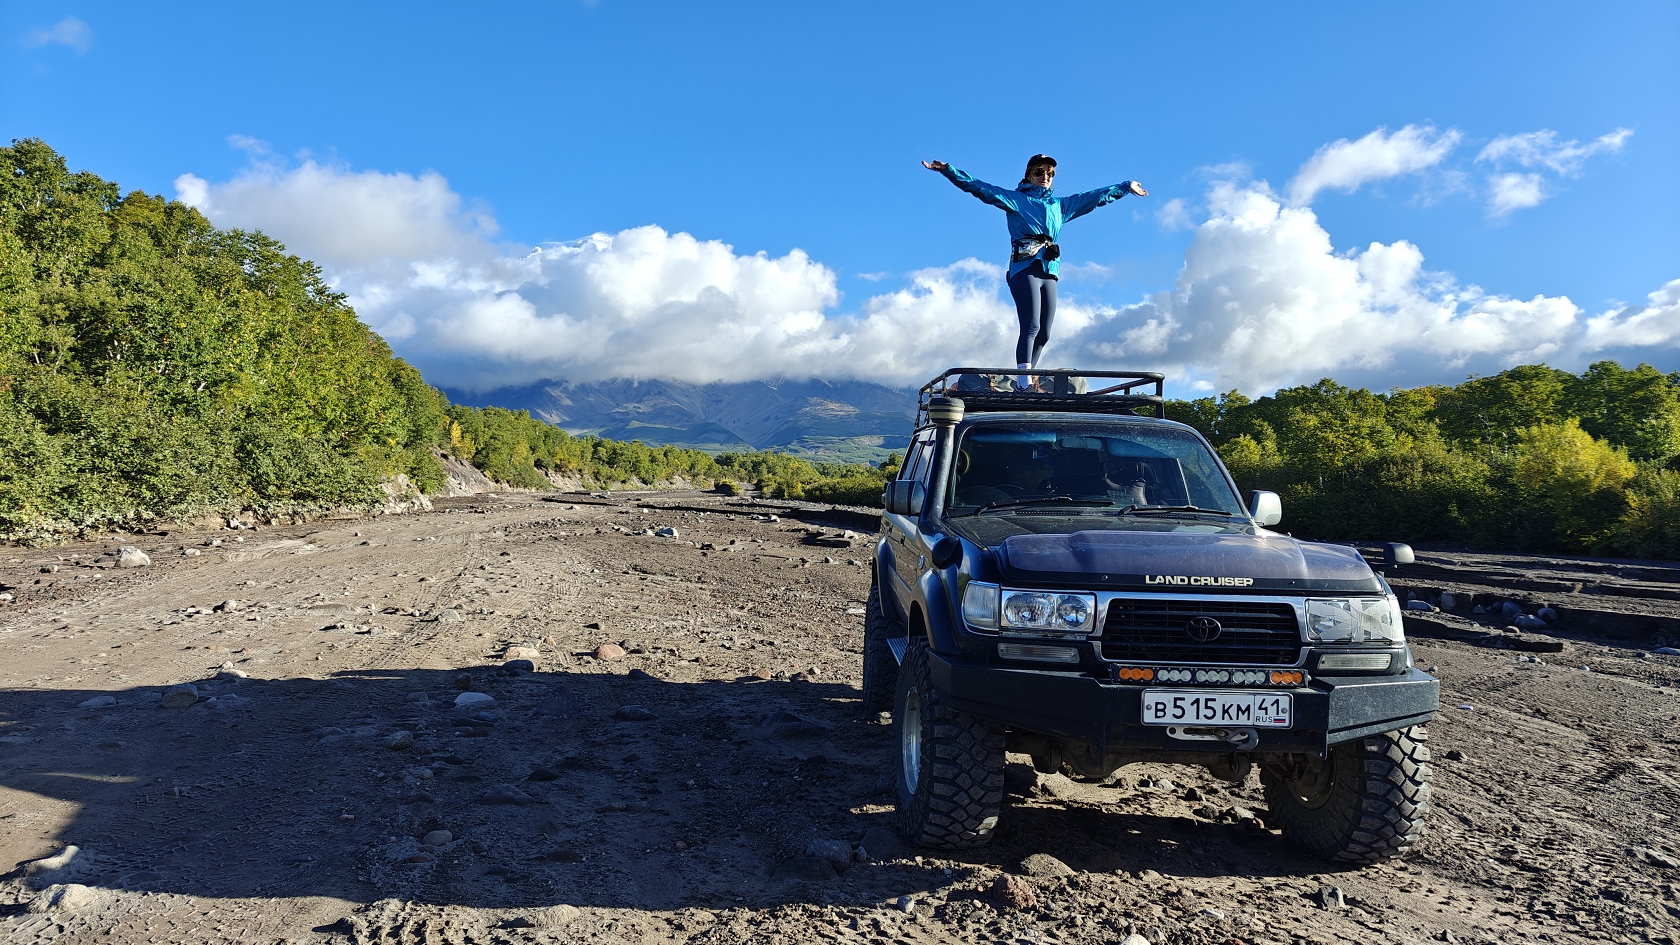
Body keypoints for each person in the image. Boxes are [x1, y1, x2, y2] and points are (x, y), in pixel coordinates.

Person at [923, 155, 1146, 390]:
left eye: (1050, 174)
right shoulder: (1016, 200)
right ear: (1029, 174)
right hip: (1024, 267)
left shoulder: (1059, 206)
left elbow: (1094, 198)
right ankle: (1023, 382)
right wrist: (949, 170)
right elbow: (980, 188)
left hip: (1049, 269)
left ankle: (1027, 379)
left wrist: (1125, 187)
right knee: (1031, 326)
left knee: (1045, 333)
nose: (1045, 178)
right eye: (1040, 173)